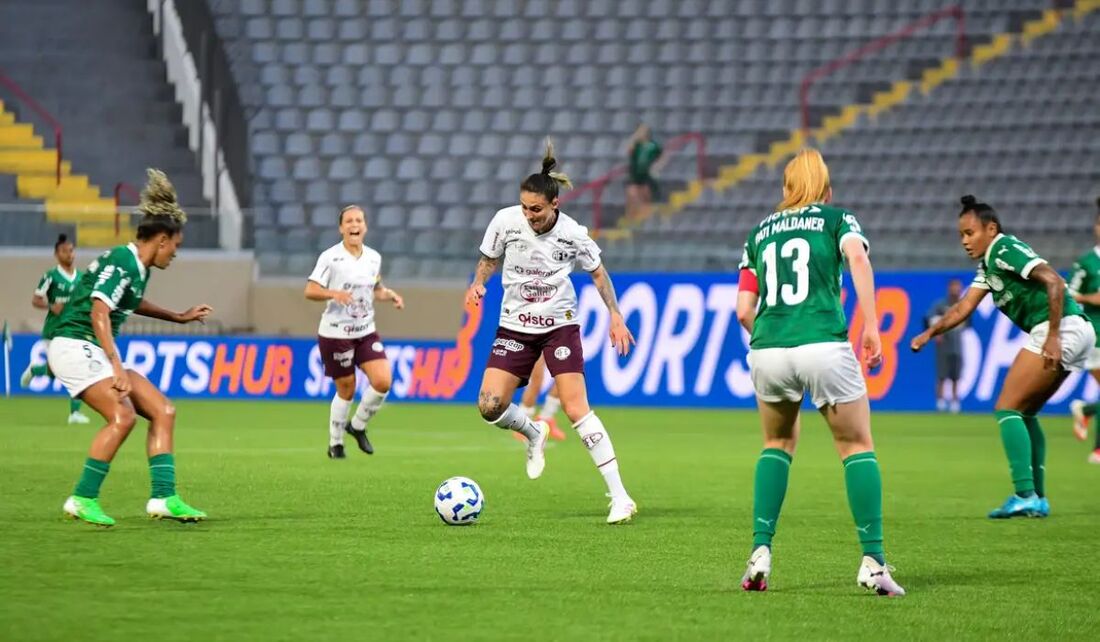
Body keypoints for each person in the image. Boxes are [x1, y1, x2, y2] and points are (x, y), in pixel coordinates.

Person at [736, 148, 904, 596]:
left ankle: (760, 552)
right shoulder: (837, 219)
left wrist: (774, 334)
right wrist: (871, 325)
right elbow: (859, 260)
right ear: (825, 188)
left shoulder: (759, 232)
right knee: (855, 445)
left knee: (776, 443)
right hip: (823, 343)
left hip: (768, 349)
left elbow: (742, 310)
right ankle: (873, 560)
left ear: (786, 189)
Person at [466, 140, 638, 525]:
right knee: (489, 405)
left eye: (537, 210)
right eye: (525, 208)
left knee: (577, 408)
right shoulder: (505, 221)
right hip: (514, 326)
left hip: (559, 327)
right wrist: (479, 283)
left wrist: (615, 314)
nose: (529, 216)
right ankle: (533, 432)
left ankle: (620, 496)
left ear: (554, 204)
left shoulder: (573, 234)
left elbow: (598, 272)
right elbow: (487, 260)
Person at [912, 195, 1093, 518]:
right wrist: (929, 333)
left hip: (1058, 327)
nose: (965, 241)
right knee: (1025, 412)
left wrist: (1052, 336)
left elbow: (1053, 281)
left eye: (969, 233)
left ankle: (1024, 493)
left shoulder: (1004, 248)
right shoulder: (988, 266)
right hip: (1074, 329)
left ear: (990, 228)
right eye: (961, 236)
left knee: (1006, 408)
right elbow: (964, 308)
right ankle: (1036, 497)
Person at [49, 169, 212, 527]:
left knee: (162, 410)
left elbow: (132, 301)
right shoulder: (124, 261)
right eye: (176, 248)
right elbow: (99, 311)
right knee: (122, 417)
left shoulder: (138, 267)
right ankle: (82, 498)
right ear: (163, 240)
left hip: (90, 347)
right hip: (75, 345)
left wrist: (178, 317)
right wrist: (117, 366)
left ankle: (164, 498)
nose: (175, 255)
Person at [305, 205, 404, 460]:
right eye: (348, 221)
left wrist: (388, 295)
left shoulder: (373, 257)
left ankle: (357, 426)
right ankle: (335, 443)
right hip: (336, 334)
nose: (353, 225)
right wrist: (333, 293)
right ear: (341, 228)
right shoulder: (330, 257)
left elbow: (375, 288)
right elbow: (310, 290)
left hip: (365, 330)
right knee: (346, 389)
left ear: (365, 226)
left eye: (358, 220)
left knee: (383, 381)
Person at [20, 234, 91, 424]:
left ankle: (75, 413)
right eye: (64, 251)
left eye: (71, 250)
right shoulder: (50, 276)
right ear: (56, 254)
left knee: (77, 369)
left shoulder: (82, 278)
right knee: (58, 372)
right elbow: (36, 299)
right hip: (54, 330)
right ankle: (36, 370)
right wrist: (51, 306)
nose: (69, 254)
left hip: (74, 331)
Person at [1068, 198, 1100, 463]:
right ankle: (1098, 449)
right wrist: (1092, 298)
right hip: (1096, 335)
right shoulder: (1087, 263)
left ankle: (1086, 409)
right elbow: (1069, 293)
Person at [924, 278, 967, 413]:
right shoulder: (941, 305)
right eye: (953, 287)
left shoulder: (964, 305)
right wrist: (936, 333)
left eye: (958, 287)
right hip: (944, 345)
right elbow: (929, 318)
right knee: (942, 373)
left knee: (956, 375)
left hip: (957, 344)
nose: (956, 290)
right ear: (949, 288)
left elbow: (968, 325)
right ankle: (941, 401)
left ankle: (955, 401)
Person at [515, 355, 566, 442]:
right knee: (537, 379)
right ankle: (522, 424)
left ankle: (546, 418)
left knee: (564, 376)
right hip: (537, 342)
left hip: (561, 342)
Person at [624, 124, 664, 221]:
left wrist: (657, 166)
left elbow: (662, 156)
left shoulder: (653, 146)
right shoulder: (636, 145)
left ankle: (646, 218)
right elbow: (628, 150)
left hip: (647, 176)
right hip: (635, 175)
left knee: (645, 196)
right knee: (632, 195)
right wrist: (635, 137)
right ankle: (632, 218)